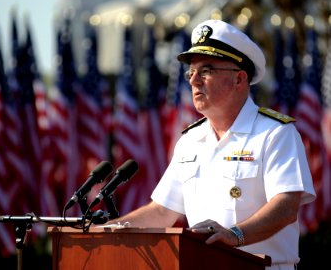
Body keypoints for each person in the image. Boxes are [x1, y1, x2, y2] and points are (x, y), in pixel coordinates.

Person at [104, 19, 316, 269]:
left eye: (206, 71)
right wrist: (107, 231)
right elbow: (162, 211)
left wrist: (235, 235)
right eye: (191, 72)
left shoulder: (274, 133)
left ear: (239, 79)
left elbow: (286, 207)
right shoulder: (190, 141)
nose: (194, 81)